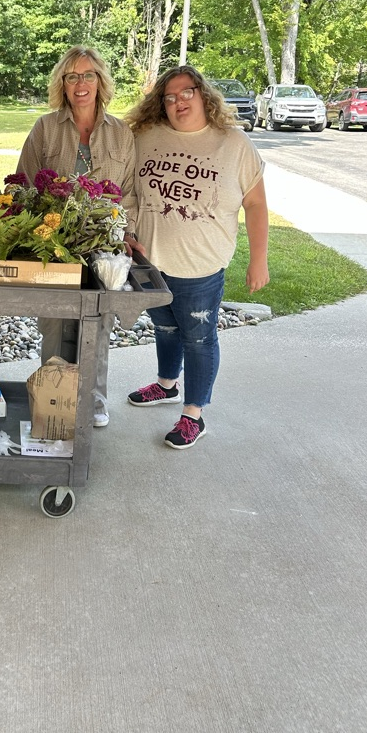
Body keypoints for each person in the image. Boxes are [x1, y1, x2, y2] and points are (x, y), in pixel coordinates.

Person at [124, 65, 269, 449]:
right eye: (169, 98)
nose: (177, 102)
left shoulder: (234, 144)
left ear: (203, 94)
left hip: (201, 267)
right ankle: (167, 384)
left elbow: (255, 204)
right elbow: (130, 192)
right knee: (166, 328)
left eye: (185, 92)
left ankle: (193, 414)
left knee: (199, 340)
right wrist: (127, 229)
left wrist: (259, 260)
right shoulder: (145, 137)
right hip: (150, 263)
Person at [16, 45, 138, 428]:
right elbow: (23, 184)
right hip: (53, 245)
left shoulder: (121, 133)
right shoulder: (45, 128)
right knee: (54, 322)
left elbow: (131, 191)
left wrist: (127, 234)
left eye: (88, 75)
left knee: (96, 323)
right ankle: (53, 396)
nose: (80, 83)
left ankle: (93, 401)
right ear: (63, 85)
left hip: (103, 247)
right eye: (72, 76)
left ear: (100, 81)